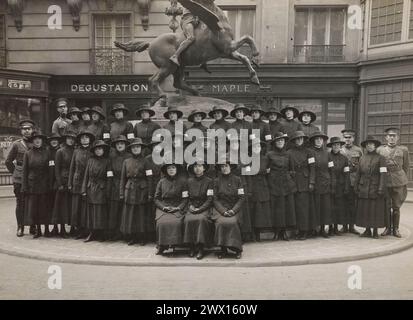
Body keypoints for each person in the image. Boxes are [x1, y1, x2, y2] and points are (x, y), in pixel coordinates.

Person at [377, 127, 410, 238]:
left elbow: (406, 167)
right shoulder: (380, 150)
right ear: (386, 137)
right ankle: (387, 228)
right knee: (386, 206)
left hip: (398, 181)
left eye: (394, 136)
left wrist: (401, 178)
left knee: (396, 206)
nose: (392, 138)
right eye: (390, 136)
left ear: (397, 138)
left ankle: (396, 229)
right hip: (385, 180)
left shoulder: (403, 150)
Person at [5, 119, 35, 237]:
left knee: (33, 202)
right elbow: (8, 161)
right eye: (24, 129)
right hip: (20, 178)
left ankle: (33, 226)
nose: (27, 131)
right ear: (21, 131)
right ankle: (20, 227)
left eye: (29, 129)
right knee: (20, 203)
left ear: (33, 130)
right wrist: (16, 172)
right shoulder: (17, 144)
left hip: (33, 177)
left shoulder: (36, 143)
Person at [355, 136, 389, 239]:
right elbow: (358, 174)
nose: (369, 146)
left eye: (371, 144)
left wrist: (381, 188)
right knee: (365, 210)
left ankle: (375, 231)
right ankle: (367, 230)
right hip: (364, 188)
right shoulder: (362, 158)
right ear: (365, 146)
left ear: (375, 146)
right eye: (367, 144)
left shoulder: (381, 158)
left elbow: (383, 174)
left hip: (375, 188)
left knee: (375, 210)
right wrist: (356, 187)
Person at [119, 138, 150, 245]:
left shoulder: (146, 161)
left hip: (142, 190)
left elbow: (149, 178)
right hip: (130, 189)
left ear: (141, 148)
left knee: (141, 214)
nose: (136, 149)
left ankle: (142, 237)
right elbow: (123, 179)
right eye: (133, 147)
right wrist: (122, 193)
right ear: (131, 149)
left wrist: (150, 193)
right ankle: (132, 236)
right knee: (131, 214)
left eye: (138, 147)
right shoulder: (126, 161)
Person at [212, 158, 245, 259]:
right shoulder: (216, 181)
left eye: (226, 166)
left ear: (230, 167)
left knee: (233, 222)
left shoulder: (237, 180)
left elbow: (241, 198)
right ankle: (223, 249)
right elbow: (215, 199)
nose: (224, 168)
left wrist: (233, 210)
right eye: (222, 166)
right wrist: (223, 211)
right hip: (220, 209)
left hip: (234, 208)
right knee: (221, 223)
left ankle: (237, 249)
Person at [267, 132, 296, 241]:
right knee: (276, 208)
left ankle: (284, 232)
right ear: (274, 142)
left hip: (286, 184)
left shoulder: (288, 154)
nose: (280, 142)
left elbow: (292, 170)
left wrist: (290, 181)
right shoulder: (270, 154)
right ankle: (276, 231)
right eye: (278, 140)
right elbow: (267, 169)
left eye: (282, 140)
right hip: (274, 184)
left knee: (286, 208)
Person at [154, 163, 189, 255]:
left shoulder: (183, 182)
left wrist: (179, 207)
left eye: (173, 168)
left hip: (178, 206)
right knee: (161, 223)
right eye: (169, 168)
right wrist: (163, 207)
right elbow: (156, 198)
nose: (171, 170)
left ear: (177, 170)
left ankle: (175, 245)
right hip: (164, 207)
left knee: (176, 223)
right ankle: (162, 246)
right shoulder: (161, 182)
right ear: (166, 170)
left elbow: (185, 199)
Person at [287, 131, 316, 240]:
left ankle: (305, 231)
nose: (299, 140)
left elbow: (312, 169)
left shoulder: (309, 152)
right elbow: (288, 169)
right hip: (294, 183)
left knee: (304, 209)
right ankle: (299, 230)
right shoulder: (289, 153)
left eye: (300, 139)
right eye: (296, 139)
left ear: (303, 140)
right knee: (297, 209)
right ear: (294, 141)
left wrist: (311, 182)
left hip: (305, 183)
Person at [22, 131, 51, 238]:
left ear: (42, 141)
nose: (37, 141)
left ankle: (47, 229)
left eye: (39, 139)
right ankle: (37, 230)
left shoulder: (47, 152)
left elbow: (50, 170)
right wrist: (24, 186)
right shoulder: (28, 154)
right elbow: (25, 171)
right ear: (32, 141)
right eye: (35, 139)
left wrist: (50, 183)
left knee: (45, 207)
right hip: (32, 185)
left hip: (44, 184)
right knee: (35, 208)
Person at [81, 140, 112, 242]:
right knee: (91, 212)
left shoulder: (107, 161)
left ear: (103, 150)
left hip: (101, 189)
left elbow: (109, 178)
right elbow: (86, 176)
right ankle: (92, 232)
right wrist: (84, 189)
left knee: (100, 212)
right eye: (97, 149)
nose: (98, 151)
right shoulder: (90, 161)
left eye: (100, 149)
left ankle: (101, 233)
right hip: (91, 189)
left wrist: (107, 191)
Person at [184, 159, 214, 260]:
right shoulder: (188, 181)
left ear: (204, 168)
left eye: (200, 166)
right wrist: (190, 206)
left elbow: (210, 199)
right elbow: (186, 197)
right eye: (195, 166)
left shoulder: (209, 181)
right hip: (192, 207)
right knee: (188, 220)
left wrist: (201, 208)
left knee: (201, 219)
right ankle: (191, 247)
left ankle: (201, 248)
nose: (197, 168)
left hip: (205, 207)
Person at [309, 131, 336, 238]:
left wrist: (332, 183)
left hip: (326, 184)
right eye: (316, 139)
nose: (319, 141)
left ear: (323, 141)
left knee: (325, 208)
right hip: (316, 184)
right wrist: (311, 182)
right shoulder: (310, 153)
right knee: (316, 207)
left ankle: (324, 230)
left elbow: (331, 170)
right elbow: (311, 169)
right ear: (314, 141)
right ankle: (316, 229)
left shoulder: (328, 154)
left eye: (320, 139)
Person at [68, 130, 94, 239]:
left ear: (90, 139)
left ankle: (87, 229)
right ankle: (79, 230)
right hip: (77, 181)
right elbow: (72, 168)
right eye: (82, 138)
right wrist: (70, 183)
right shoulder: (76, 151)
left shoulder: (92, 151)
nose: (84, 139)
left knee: (86, 207)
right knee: (76, 207)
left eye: (86, 137)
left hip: (88, 181)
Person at [51, 131, 76, 237]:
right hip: (62, 181)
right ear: (65, 139)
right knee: (61, 206)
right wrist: (60, 183)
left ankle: (72, 228)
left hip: (73, 181)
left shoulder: (75, 151)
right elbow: (56, 169)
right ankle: (61, 229)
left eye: (72, 138)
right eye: (69, 138)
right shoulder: (60, 151)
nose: (70, 140)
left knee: (70, 206)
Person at [108, 135, 132, 241]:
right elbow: (109, 173)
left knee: (125, 210)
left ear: (125, 145)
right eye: (118, 144)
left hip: (127, 185)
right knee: (114, 210)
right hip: (114, 185)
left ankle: (125, 233)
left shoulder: (129, 157)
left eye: (122, 144)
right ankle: (115, 232)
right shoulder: (112, 157)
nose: (120, 146)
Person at [248, 139, 272, 241]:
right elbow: (248, 172)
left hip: (263, 185)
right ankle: (253, 232)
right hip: (253, 185)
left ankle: (259, 232)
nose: (257, 148)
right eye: (254, 147)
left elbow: (268, 171)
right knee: (254, 209)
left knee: (261, 210)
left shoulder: (265, 159)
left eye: (258, 147)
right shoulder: (248, 159)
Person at [340, 128, 363, 234]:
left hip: (354, 180)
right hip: (343, 181)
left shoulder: (358, 150)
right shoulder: (340, 149)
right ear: (343, 138)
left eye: (349, 137)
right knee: (343, 203)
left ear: (353, 138)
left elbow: (361, 166)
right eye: (345, 137)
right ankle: (344, 226)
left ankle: (351, 226)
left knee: (353, 204)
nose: (347, 139)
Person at [327, 137, 350, 236]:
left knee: (338, 207)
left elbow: (347, 173)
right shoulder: (327, 156)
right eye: (334, 145)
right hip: (329, 185)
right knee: (330, 207)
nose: (336, 147)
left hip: (340, 186)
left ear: (340, 146)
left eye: (338, 145)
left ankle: (336, 227)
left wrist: (346, 186)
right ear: (331, 146)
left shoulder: (344, 158)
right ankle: (330, 227)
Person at [46, 133, 62, 237]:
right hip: (48, 182)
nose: (54, 142)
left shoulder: (60, 151)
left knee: (59, 206)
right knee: (50, 206)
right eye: (52, 140)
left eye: (56, 140)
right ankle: (53, 227)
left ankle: (61, 227)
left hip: (58, 182)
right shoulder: (47, 152)